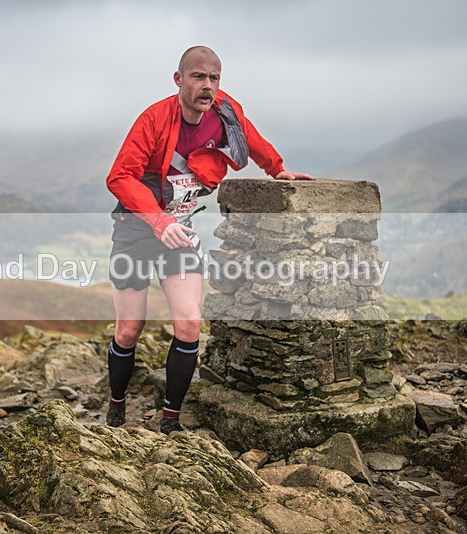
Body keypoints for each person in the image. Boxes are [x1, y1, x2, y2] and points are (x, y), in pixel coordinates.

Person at [105, 46, 315, 435]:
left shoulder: (225, 111)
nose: (207, 86)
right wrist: (156, 219)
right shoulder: (153, 119)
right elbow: (119, 178)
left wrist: (278, 169)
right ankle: (116, 406)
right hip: (136, 229)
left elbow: (249, 137)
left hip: (180, 230)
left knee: (188, 324)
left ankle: (170, 421)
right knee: (129, 329)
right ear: (179, 79)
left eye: (214, 78)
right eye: (198, 77)